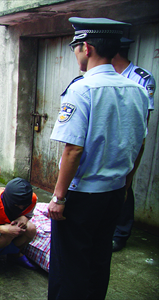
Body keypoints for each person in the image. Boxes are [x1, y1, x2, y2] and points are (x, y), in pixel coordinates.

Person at [47, 17, 148, 300]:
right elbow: (139, 143)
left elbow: (73, 149)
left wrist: (59, 196)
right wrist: (126, 183)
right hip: (115, 192)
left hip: (82, 195)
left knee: (70, 265)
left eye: (75, 47)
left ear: (86, 48)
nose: (76, 53)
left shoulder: (82, 89)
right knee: (99, 257)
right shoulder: (138, 90)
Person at [110, 37, 156, 252]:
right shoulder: (102, 75)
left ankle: (120, 233)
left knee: (123, 185)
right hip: (104, 141)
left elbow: (142, 121)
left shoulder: (141, 79)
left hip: (126, 142)